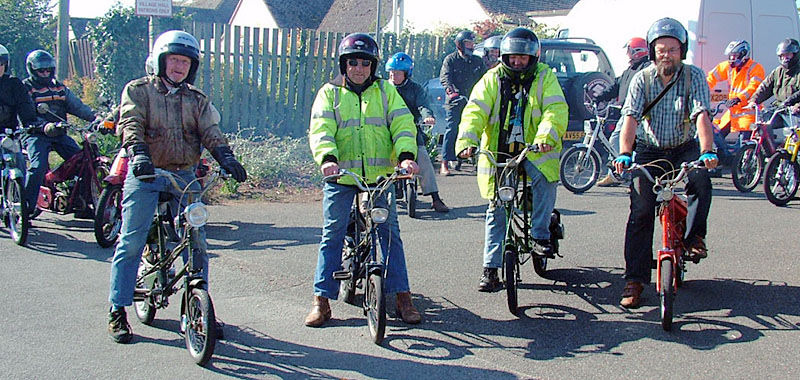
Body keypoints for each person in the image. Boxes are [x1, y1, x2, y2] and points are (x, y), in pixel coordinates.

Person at [107, 30, 247, 343]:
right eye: (174, 59)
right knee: (131, 241)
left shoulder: (196, 100)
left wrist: (226, 157)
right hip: (146, 174)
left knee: (197, 242)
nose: (179, 66)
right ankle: (117, 308)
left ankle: (195, 308)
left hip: (184, 176)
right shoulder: (138, 91)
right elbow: (131, 124)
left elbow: (210, 131)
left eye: (185, 61)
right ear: (161, 61)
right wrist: (139, 156)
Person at [306, 33, 422, 327]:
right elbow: (321, 129)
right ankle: (321, 301)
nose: (359, 68)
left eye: (365, 63)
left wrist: (407, 155)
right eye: (353, 62)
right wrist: (328, 160)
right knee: (332, 234)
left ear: (373, 66)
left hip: (380, 178)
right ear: (344, 64)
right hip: (341, 177)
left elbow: (402, 122)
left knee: (389, 234)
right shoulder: (329, 93)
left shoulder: (385, 91)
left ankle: (402, 297)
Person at [613, 18, 718, 309]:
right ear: (652, 51)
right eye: (661, 49)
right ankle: (634, 280)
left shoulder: (693, 76)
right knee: (641, 209)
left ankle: (695, 235)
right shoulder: (641, 79)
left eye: (672, 49)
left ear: (681, 51)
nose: (666, 54)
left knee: (700, 179)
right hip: (649, 150)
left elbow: (701, 116)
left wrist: (707, 151)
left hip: (684, 146)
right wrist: (625, 154)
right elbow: (631, 118)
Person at [456, 28, 568, 292]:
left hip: (535, 151)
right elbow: (475, 111)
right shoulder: (491, 79)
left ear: (533, 57)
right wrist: (467, 141)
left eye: (523, 57)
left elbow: (555, 109)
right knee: (497, 208)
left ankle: (540, 234)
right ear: (505, 56)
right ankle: (490, 268)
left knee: (544, 182)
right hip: (501, 152)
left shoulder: (545, 77)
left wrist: (545, 136)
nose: (517, 62)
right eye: (513, 57)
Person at [22, 49, 98, 218]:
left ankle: (81, 203)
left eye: (48, 70)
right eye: (41, 70)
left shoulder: (60, 88)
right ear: (32, 70)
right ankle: (26, 205)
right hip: (35, 134)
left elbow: (77, 107)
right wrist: (43, 126)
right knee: (38, 166)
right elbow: (26, 115)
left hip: (59, 135)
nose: (45, 73)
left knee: (85, 161)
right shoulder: (26, 88)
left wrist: (96, 118)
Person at [385, 52, 449, 213]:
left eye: (398, 72)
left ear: (407, 74)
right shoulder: (382, 89)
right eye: (391, 72)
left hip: (411, 132)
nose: (394, 75)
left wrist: (428, 117)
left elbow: (423, 106)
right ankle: (368, 200)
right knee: (374, 161)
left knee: (423, 159)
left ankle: (435, 198)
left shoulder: (415, 89)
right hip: (385, 133)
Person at [596, 37, 651, 187]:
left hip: (641, 113)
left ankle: (630, 176)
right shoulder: (630, 70)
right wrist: (600, 97)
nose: (628, 54)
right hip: (627, 112)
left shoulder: (646, 68)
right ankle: (617, 174)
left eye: (629, 51)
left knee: (628, 142)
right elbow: (617, 86)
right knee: (617, 140)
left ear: (636, 51)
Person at [706, 40, 765, 171]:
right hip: (733, 111)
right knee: (717, 135)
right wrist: (701, 90)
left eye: (735, 56)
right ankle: (719, 164)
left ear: (744, 55)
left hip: (748, 112)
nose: (731, 59)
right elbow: (711, 77)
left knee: (743, 144)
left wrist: (739, 98)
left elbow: (753, 88)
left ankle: (745, 169)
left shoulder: (755, 68)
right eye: (730, 56)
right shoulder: (728, 67)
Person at [439, 30, 486, 175]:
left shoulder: (477, 61)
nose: (471, 46)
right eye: (468, 43)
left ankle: (481, 160)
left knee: (480, 127)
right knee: (452, 128)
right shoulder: (450, 60)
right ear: (459, 45)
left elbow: (485, 79)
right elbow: (445, 78)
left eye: (472, 43)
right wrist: (451, 92)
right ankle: (444, 163)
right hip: (456, 101)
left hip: (474, 101)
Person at [0, 44, 38, 176]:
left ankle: (20, 194)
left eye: (1, 63)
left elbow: (25, 106)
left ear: (6, 65)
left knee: (19, 160)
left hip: (8, 135)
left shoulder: (14, 83)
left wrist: (31, 124)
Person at [747, 38, 800, 129]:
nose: (785, 58)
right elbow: (765, 87)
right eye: (782, 56)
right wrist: (754, 101)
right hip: (780, 107)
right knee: (762, 123)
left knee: (795, 133)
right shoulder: (778, 71)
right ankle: (766, 143)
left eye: (788, 55)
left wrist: (797, 106)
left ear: (795, 55)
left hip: (795, 111)